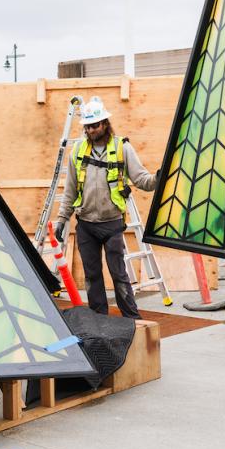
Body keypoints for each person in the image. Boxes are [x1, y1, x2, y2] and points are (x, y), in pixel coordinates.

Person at [53, 96, 156, 319]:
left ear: (105, 123)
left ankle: (132, 319)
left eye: (95, 125)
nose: (91, 130)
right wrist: (62, 219)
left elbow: (142, 180)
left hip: (112, 224)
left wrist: (160, 177)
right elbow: (70, 189)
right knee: (92, 276)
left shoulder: (122, 147)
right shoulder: (78, 151)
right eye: (88, 126)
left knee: (119, 274)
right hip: (86, 225)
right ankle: (99, 319)